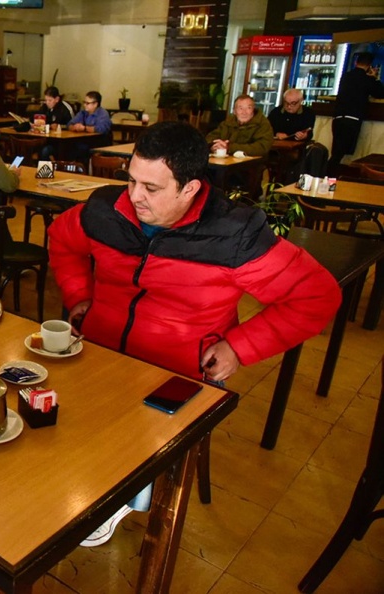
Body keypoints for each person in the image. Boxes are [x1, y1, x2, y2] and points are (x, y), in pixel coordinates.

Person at [48, 121, 340, 546]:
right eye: (131, 180)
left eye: (151, 188)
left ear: (189, 188)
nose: (134, 196)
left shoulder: (234, 234)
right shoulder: (104, 211)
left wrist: (239, 347)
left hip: (176, 374)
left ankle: (121, 502)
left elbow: (316, 296)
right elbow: (62, 240)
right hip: (100, 356)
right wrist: (79, 295)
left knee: (133, 449)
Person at [327, 51, 384, 175]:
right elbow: (380, 93)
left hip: (338, 118)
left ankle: (329, 177)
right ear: (369, 66)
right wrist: (374, 78)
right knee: (338, 155)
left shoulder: (346, 76)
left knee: (336, 152)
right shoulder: (366, 79)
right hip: (352, 120)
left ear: (355, 62)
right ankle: (327, 177)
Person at [206, 94, 274, 157]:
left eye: (248, 108)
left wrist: (229, 147)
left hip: (252, 164)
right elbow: (210, 137)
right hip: (226, 161)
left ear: (253, 110)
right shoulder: (228, 122)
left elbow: (262, 147)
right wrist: (214, 145)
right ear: (234, 111)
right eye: (240, 108)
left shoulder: (262, 123)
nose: (244, 112)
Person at [67, 90, 113, 159]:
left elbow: (101, 129)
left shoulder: (103, 114)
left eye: (87, 103)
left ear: (95, 104)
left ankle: (82, 165)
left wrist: (84, 128)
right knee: (68, 146)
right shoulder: (83, 113)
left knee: (80, 148)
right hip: (84, 140)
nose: (84, 105)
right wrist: (74, 127)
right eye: (84, 102)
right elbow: (69, 124)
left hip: (99, 142)